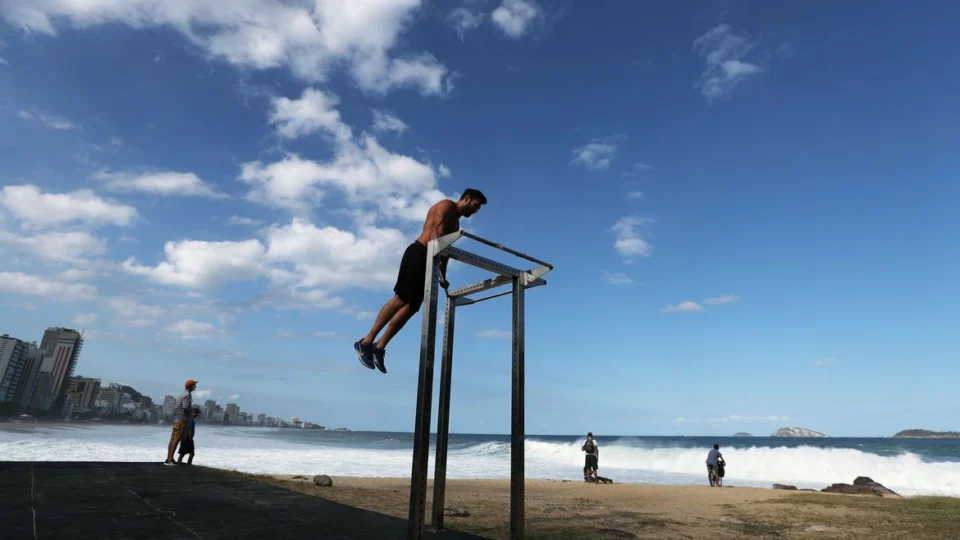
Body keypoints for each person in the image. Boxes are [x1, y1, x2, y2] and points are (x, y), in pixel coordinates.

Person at [354, 189, 487, 374]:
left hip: (431, 260)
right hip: (418, 253)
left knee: (412, 307)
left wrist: (443, 276)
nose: (475, 211)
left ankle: (379, 347)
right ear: (466, 199)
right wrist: (436, 260)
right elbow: (436, 232)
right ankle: (365, 342)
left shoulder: (456, 225)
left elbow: (445, 251)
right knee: (400, 299)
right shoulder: (446, 205)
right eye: (475, 206)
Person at [164, 379, 197, 466]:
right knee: (176, 439)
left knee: (172, 439)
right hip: (182, 420)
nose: (195, 387)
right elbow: (186, 407)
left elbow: (176, 407)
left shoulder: (182, 394)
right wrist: (189, 413)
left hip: (176, 419)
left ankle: (168, 458)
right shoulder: (187, 395)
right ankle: (170, 459)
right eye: (194, 385)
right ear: (191, 386)